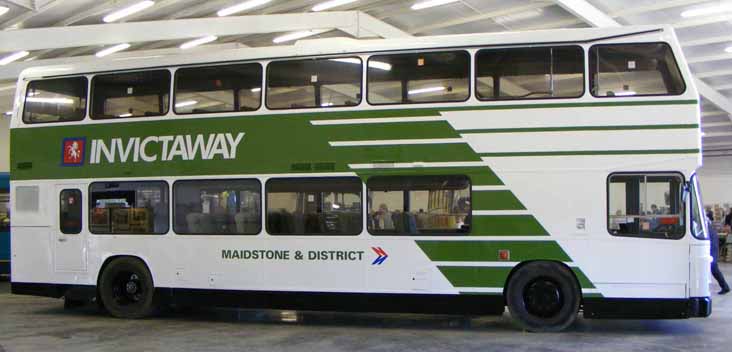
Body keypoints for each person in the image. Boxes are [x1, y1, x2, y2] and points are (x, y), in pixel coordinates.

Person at [708, 212, 730, 295]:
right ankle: (725, 287)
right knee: (713, 268)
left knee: (713, 267)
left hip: (711, 243)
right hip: (712, 241)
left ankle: (725, 287)